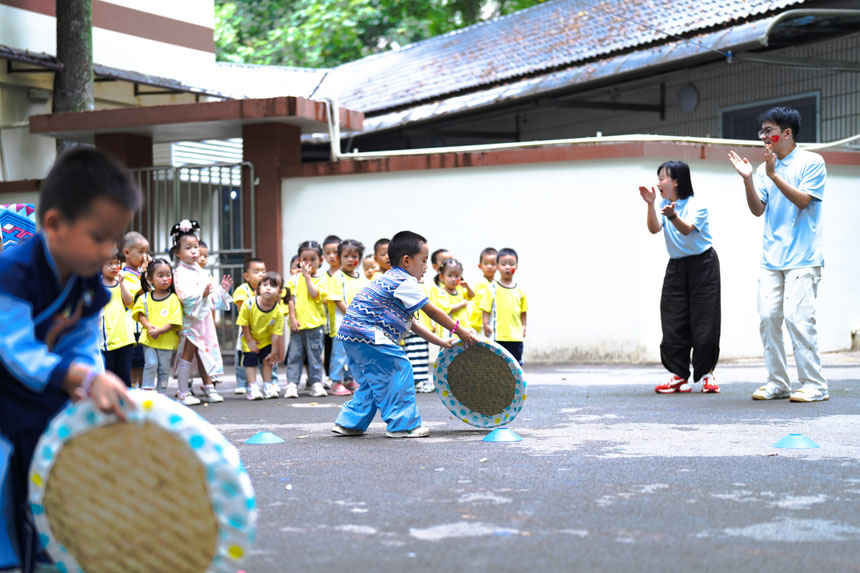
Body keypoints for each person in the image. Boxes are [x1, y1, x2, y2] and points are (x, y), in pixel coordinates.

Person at [0, 148, 135, 573]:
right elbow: (12, 346)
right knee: (6, 491)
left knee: (50, 490)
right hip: (5, 400)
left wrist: (89, 376)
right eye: (99, 236)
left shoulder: (87, 282)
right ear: (54, 224)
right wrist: (71, 373)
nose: (108, 250)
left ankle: (47, 557)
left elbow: (79, 338)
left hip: (45, 399)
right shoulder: (12, 273)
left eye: (114, 238)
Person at [332, 231, 476, 439]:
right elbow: (433, 311)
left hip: (349, 335)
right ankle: (403, 425)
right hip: (369, 334)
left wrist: (443, 342)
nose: (427, 267)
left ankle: (350, 423)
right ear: (407, 260)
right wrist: (460, 330)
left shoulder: (388, 279)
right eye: (424, 261)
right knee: (399, 369)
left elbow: (414, 324)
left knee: (374, 380)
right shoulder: (405, 282)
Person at [729, 106, 828, 402]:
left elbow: (803, 201)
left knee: (799, 319)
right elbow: (757, 209)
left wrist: (773, 175)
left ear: (786, 133)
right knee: (769, 317)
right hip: (771, 258)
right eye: (762, 131)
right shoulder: (763, 169)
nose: (763, 137)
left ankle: (815, 384)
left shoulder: (812, 162)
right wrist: (749, 178)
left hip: (804, 257)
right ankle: (777, 382)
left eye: (769, 131)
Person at [639, 161, 721, 394]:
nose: (658, 182)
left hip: (703, 265)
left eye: (662, 177)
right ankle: (678, 375)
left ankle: (707, 374)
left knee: (705, 320)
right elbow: (654, 229)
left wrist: (673, 216)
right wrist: (651, 204)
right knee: (673, 320)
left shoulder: (697, 204)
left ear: (676, 181)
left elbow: (687, 229)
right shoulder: (665, 204)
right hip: (676, 266)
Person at [170, 219, 232, 406]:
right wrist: (200, 294)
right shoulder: (180, 272)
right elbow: (183, 295)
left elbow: (211, 293)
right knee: (188, 354)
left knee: (205, 353)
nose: (194, 251)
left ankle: (208, 387)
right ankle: (182, 391)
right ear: (178, 253)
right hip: (191, 320)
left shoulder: (200, 271)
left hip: (204, 320)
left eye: (195, 246)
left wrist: (222, 290)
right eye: (188, 248)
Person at [285, 240, 329, 399]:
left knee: (315, 355)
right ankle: (292, 384)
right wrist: (292, 317)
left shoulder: (323, 279)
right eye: (304, 259)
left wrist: (307, 276)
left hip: (315, 325)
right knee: (294, 355)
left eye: (313, 260)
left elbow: (314, 294)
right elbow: (289, 298)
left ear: (321, 261)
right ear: (299, 259)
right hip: (297, 324)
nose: (308, 263)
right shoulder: (294, 279)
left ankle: (316, 383)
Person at [132, 258, 183, 392]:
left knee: (164, 369)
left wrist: (159, 331)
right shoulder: (145, 298)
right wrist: (149, 326)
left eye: (168, 275)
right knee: (151, 364)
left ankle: (162, 394)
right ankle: (147, 391)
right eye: (160, 275)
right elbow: (139, 314)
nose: (165, 279)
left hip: (166, 341)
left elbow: (175, 321)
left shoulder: (174, 299)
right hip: (149, 339)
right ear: (150, 278)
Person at [326, 239, 366, 395]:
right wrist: (353, 314)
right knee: (340, 353)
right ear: (339, 257)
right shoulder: (337, 277)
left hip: (357, 324)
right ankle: (336, 381)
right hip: (342, 324)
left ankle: (349, 380)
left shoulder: (361, 278)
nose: (350, 260)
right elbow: (338, 300)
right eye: (346, 256)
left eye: (354, 256)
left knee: (353, 355)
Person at [237, 272, 285, 401]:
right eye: (265, 285)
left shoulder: (278, 311)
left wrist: (274, 352)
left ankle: (268, 386)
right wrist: (250, 341)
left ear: (280, 291)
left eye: (273, 286)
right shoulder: (249, 304)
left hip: (266, 341)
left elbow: (276, 333)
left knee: (268, 361)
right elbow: (244, 324)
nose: (268, 288)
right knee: (250, 362)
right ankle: (252, 387)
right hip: (250, 340)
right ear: (258, 288)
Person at [481, 248, 528, 365]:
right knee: (498, 364)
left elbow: (523, 311)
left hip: (516, 336)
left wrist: (524, 325)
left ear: (516, 266)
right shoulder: (492, 288)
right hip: (498, 335)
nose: (507, 267)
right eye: (503, 264)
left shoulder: (520, 290)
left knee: (516, 364)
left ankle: (516, 384)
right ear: (497, 266)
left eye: (511, 264)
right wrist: (486, 324)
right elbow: (485, 309)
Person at [99, 250, 135, 387]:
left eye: (117, 263)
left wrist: (122, 283)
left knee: (124, 377)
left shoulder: (121, 283)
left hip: (124, 337)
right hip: (106, 340)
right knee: (108, 377)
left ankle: (125, 406)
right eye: (109, 264)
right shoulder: (97, 286)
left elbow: (129, 302)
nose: (114, 267)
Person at [232, 257, 266, 395]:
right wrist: (255, 298)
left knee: (267, 356)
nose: (261, 274)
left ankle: (271, 382)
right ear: (246, 276)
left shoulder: (268, 288)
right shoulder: (242, 290)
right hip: (246, 332)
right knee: (243, 357)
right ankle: (242, 383)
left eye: (263, 271)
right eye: (256, 271)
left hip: (264, 331)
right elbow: (242, 311)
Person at [122, 231, 149, 388]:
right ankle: (133, 386)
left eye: (146, 252)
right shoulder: (125, 275)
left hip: (143, 324)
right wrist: (144, 278)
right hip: (132, 326)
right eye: (140, 252)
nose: (144, 256)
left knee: (142, 360)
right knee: (134, 360)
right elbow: (132, 298)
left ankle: (139, 385)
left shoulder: (140, 273)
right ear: (127, 252)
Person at [431, 258, 474, 336]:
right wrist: (462, 304)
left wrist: (467, 286)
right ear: (441, 277)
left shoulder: (460, 290)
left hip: (464, 328)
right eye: (449, 275)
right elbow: (447, 309)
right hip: (450, 332)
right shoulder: (441, 293)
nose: (453, 279)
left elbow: (472, 295)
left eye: (457, 276)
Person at [322, 235, 342, 387]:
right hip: (326, 318)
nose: (332, 256)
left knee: (341, 349)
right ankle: (329, 376)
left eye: (335, 252)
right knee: (328, 347)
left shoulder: (345, 275)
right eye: (327, 253)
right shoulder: (323, 276)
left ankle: (342, 377)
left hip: (340, 319)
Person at [468, 247, 497, 334]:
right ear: (480, 266)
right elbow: (484, 305)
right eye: (486, 264)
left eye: (493, 264)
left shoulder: (496, 284)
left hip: (490, 322)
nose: (489, 266)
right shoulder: (482, 283)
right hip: (480, 324)